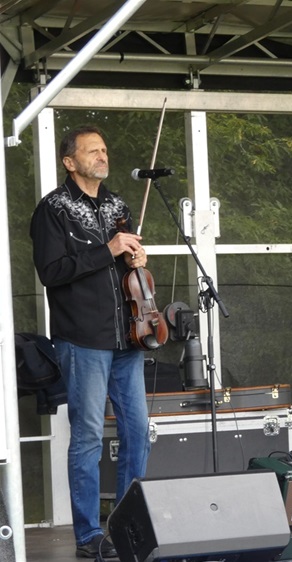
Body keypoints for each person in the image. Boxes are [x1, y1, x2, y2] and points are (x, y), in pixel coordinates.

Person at [30, 125, 152, 558]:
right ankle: (87, 535)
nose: (102, 155)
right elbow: (51, 272)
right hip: (83, 339)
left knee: (138, 432)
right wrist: (109, 249)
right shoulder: (52, 210)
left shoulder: (118, 205)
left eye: (104, 149)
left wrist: (136, 258)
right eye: (92, 151)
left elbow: (125, 264)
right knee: (87, 437)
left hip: (127, 337)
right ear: (70, 162)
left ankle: (127, 524)